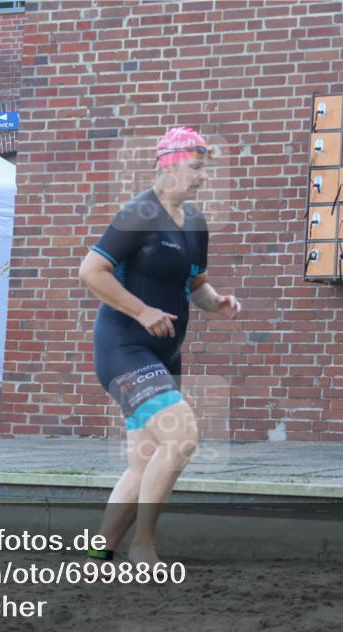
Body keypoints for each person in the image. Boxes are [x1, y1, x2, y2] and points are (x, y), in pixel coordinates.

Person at [78, 127, 242, 565]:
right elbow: (91, 271)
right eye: (195, 167)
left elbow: (195, 283)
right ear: (167, 164)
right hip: (124, 348)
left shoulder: (196, 223)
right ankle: (143, 545)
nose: (203, 178)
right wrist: (141, 311)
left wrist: (216, 302)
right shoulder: (140, 213)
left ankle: (98, 552)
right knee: (183, 436)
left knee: (144, 462)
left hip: (165, 354)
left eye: (204, 168)